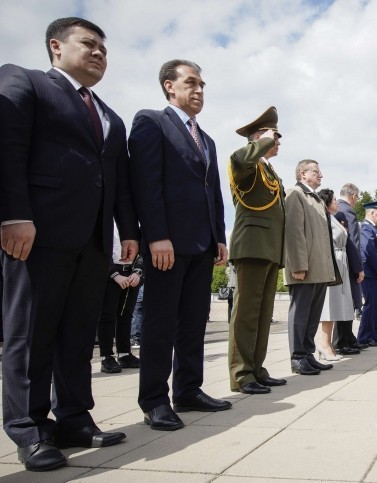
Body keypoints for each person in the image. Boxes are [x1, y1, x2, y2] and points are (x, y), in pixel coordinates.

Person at [0, 17, 139, 471]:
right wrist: (14, 214)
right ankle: (30, 429)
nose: (99, 53)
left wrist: (128, 230)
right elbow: (8, 145)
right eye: (89, 44)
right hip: (37, 234)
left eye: (104, 48)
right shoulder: (26, 82)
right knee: (32, 334)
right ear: (56, 46)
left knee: (78, 335)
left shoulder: (110, 116)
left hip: (94, 242)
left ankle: (75, 418)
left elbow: (116, 182)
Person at [128, 59, 231, 432]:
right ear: (169, 86)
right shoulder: (151, 122)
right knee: (159, 323)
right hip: (166, 243)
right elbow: (146, 182)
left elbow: (213, 192)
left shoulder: (208, 139)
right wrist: (155, 235)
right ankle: (154, 400)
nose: (200, 90)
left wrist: (219, 237)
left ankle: (188, 389)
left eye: (203, 84)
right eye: (192, 82)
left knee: (192, 323)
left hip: (202, 244)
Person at [226, 106, 289, 395]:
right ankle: (241, 374)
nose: (278, 141)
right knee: (246, 313)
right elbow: (239, 158)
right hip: (251, 246)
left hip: (269, 249)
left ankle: (256, 369)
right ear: (257, 138)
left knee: (263, 314)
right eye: (274, 136)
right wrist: (262, 140)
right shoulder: (246, 161)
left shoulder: (268, 168)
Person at [283, 159, 340, 375]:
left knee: (312, 314)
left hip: (318, 269)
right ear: (302, 173)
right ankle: (297, 357)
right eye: (316, 171)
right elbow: (294, 232)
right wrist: (297, 264)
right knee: (300, 314)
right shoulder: (295, 194)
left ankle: (307, 354)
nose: (320, 175)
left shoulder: (315, 200)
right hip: (304, 268)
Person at [316, 188, 359, 361]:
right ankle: (324, 343)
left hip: (341, 263)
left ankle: (327, 344)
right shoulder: (324, 219)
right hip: (332, 263)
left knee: (336, 306)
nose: (337, 202)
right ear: (327, 203)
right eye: (334, 200)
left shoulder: (332, 219)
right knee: (329, 305)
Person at [97, 227, 143, 374]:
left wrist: (137, 271)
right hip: (110, 271)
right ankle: (106, 356)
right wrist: (114, 274)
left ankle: (124, 353)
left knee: (126, 315)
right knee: (107, 316)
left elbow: (142, 248)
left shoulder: (133, 222)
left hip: (131, 273)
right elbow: (100, 248)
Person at [334, 183, 365, 353]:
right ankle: (341, 341)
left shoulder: (339, 208)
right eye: (357, 197)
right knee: (347, 302)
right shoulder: (348, 211)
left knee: (348, 302)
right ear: (353, 195)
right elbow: (353, 242)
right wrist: (358, 267)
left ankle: (347, 338)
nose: (357, 201)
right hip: (348, 263)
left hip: (343, 262)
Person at [358, 201, 377, 346]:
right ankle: (364, 337)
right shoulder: (366, 227)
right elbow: (369, 249)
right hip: (370, 272)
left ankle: (374, 335)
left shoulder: (373, 229)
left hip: (375, 272)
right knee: (370, 305)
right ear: (371, 213)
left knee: (375, 305)